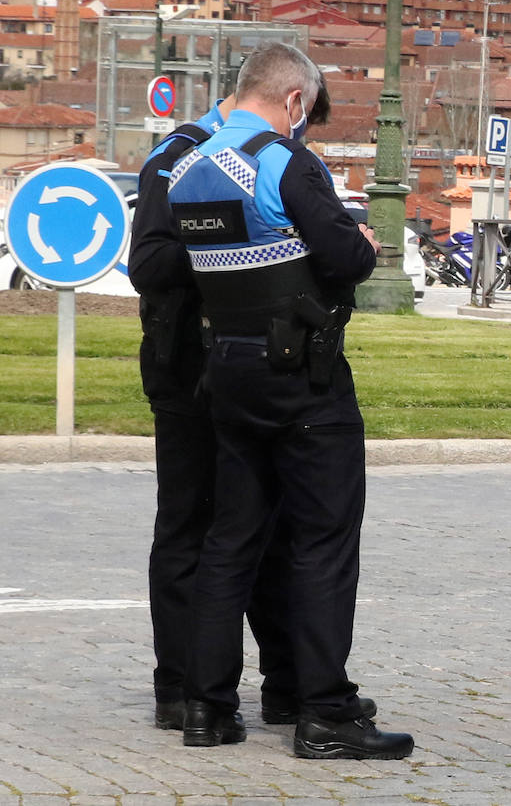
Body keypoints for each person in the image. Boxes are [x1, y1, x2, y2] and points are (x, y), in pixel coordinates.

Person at [163, 42, 412, 759]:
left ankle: (207, 707)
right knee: (322, 540)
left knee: (231, 539)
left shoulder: (188, 169)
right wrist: (356, 239)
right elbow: (349, 259)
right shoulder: (284, 161)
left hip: (227, 372)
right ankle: (324, 712)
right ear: (295, 99)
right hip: (301, 376)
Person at [129, 92, 378, 734]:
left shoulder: (268, 159)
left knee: (259, 533)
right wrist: (240, 253)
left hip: (230, 362)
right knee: (196, 528)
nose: (301, 129)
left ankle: (279, 684)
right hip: (190, 367)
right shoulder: (181, 159)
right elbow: (149, 263)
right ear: (288, 101)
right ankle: (184, 687)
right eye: (305, 114)